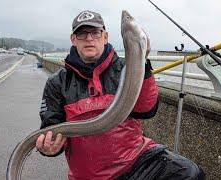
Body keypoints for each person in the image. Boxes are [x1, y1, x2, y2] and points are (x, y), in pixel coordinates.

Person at [36, 10, 205, 180]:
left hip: (136, 163)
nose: (89, 39)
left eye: (95, 32)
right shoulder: (57, 82)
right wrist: (50, 147)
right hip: (90, 175)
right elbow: (51, 129)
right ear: (73, 39)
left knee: (189, 173)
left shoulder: (126, 68)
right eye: (82, 34)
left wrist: (142, 62)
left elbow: (146, 110)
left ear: (105, 36)